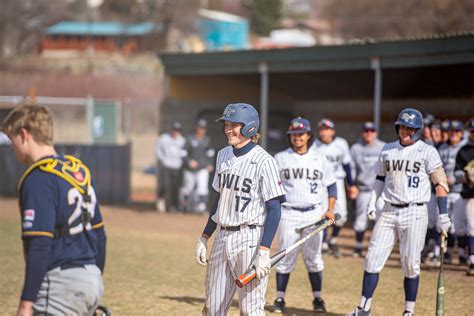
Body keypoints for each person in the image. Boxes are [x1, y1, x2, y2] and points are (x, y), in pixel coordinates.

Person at [2, 104, 106, 315]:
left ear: (24, 134)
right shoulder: (79, 171)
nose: (11, 147)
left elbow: (40, 244)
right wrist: (92, 284)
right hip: (92, 279)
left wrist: (26, 303)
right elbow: (100, 236)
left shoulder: (38, 178)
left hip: (60, 286)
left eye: (11, 139)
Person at [348, 108, 451, 316]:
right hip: (388, 210)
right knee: (372, 259)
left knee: (410, 264)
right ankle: (363, 308)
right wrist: (372, 201)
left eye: (410, 128)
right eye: (402, 126)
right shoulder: (388, 149)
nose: (405, 131)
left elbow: (440, 183)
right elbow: (379, 178)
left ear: (418, 130)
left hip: (415, 211)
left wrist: (443, 214)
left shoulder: (428, 151)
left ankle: (408, 311)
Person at [194, 103, 286, 315]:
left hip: (250, 239)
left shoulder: (265, 161)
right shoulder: (223, 155)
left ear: (250, 127)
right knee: (212, 306)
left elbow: (274, 209)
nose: (228, 129)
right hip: (222, 237)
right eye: (226, 124)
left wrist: (264, 250)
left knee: (250, 309)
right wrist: (204, 237)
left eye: (234, 125)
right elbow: (219, 200)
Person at [272, 117, 337, 313]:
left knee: (314, 259)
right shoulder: (280, 158)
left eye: (301, 134)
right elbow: (273, 188)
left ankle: (318, 299)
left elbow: (332, 186)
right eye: (293, 134)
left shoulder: (320, 159)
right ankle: (279, 299)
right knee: (285, 258)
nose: (297, 138)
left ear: (309, 135)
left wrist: (330, 209)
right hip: (289, 213)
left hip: (313, 214)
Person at [312, 118, 358, 258]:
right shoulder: (314, 145)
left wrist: (352, 184)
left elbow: (347, 165)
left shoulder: (341, 143)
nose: (324, 132)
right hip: (322, 184)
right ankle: (324, 244)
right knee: (324, 213)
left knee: (342, 215)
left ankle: (333, 240)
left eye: (327, 129)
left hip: (337, 181)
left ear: (332, 131)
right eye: (322, 129)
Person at [350, 122, 386, 257]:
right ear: (362, 132)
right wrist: (352, 185)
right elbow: (352, 169)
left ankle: (377, 248)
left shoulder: (383, 147)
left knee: (381, 219)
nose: (369, 133)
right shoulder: (356, 148)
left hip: (380, 190)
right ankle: (358, 247)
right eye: (366, 130)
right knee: (360, 219)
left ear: (376, 132)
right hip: (364, 189)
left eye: (372, 130)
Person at [438, 120, 468, 264]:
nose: (453, 134)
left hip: (459, 191)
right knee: (445, 222)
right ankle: (447, 252)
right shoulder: (443, 148)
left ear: (461, 134)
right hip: (443, 190)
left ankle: (462, 253)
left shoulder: (464, 148)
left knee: (458, 224)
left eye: (456, 132)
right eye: (451, 132)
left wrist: (455, 179)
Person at [180, 118, 215, 213]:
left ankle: (201, 206)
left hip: (202, 168)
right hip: (190, 169)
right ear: (196, 128)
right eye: (200, 127)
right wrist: (188, 161)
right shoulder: (189, 139)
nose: (201, 130)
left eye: (203, 128)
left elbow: (210, 153)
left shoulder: (207, 140)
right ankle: (184, 205)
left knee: (202, 187)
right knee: (188, 188)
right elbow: (183, 153)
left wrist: (210, 164)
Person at [455, 118, 474, 275]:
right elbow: (457, 172)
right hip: (469, 194)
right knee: (471, 228)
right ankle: (472, 261)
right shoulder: (464, 151)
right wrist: (467, 176)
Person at [155, 121, 186, 212]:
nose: (175, 132)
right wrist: (163, 160)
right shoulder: (163, 138)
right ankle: (160, 201)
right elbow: (158, 150)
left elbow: (184, 152)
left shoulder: (182, 140)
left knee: (175, 187)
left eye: (177, 130)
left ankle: (172, 206)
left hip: (177, 167)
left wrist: (181, 162)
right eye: (174, 130)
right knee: (165, 185)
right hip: (166, 166)